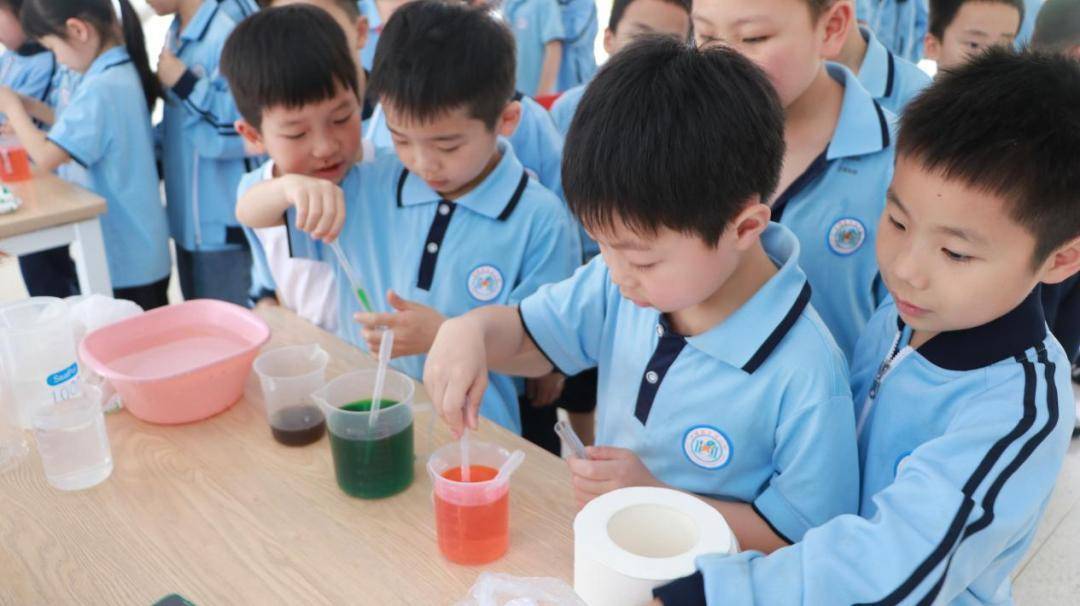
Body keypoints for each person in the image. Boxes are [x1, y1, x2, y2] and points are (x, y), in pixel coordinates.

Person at [654, 47, 1080, 606]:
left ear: (1061, 259)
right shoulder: (906, 315)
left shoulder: (1018, 412)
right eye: (897, 220)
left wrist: (723, 592)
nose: (905, 269)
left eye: (955, 253)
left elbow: (896, 566)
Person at [423, 37, 859, 553]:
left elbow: (808, 541)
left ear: (744, 228)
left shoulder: (805, 371)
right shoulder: (620, 283)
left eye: (643, 259)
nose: (616, 273)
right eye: (602, 245)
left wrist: (658, 499)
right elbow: (530, 337)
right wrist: (470, 331)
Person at [236, 1, 580, 434]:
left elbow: (541, 357)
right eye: (400, 138)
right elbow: (249, 210)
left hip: (469, 433)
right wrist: (289, 187)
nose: (422, 163)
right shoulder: (368, 182)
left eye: (447, 145)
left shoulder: (540, 221)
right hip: (362, 417)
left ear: (506, 119)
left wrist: (444, 334)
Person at [1, 0, 171, 309]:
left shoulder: (103, 86)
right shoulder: (112, 71)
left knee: (135, 335)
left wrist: (12, 107)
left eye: (53, 49)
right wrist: (29, 106)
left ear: (78, 31)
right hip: (137, 248)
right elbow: (71, 126)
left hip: (128, 256)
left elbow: (47, 156)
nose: (58, 59)